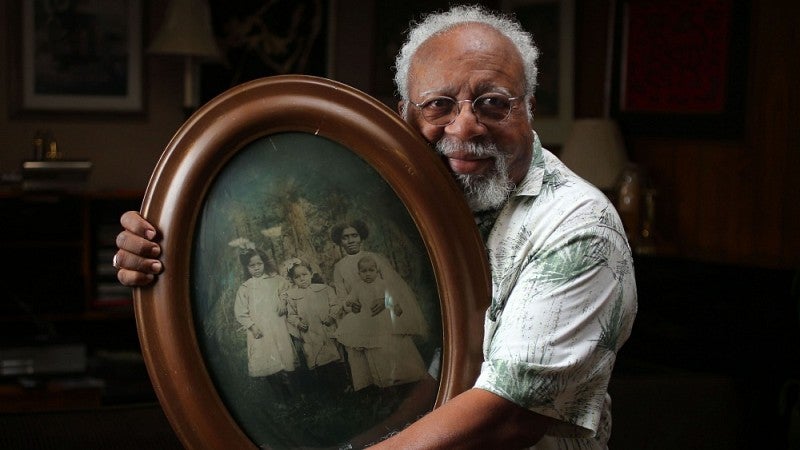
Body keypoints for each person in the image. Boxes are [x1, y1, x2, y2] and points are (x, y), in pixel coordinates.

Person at [113, 5, 637, 448]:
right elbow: (434, 383)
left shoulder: (579, 227)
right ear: (404, 116)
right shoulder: (406, 207)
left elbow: (506, 414)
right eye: (439, 105)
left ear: (529, 110)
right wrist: (170, 251)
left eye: (494, 103)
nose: (465, 126)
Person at [335, 255, 428, 391]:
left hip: (385, 321)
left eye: (371, 270)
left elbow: (392, 299)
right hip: (368, 322)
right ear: (359, 273)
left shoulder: (383, 284)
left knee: (394, 346)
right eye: (364, 271)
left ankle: (406, 376)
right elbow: (351, 300)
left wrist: (394, 306)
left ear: (377, 271)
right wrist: (352, 303)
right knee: (376, 351)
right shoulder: (358, 287)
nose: (368, 274)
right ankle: (384, 381)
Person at [233, 248, 297, 385]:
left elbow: (286, 290)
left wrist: (283, 301)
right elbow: (240, 312)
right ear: (247, 267)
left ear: (264, 263)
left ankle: (294, 387)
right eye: (252, 265)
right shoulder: (245, 287)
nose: (256, 268)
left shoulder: (275, 279)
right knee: (267, 354)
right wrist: (252, 326)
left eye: (259, 264)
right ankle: (279, 391)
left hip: (277, 323)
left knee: (283, 352)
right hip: (260, 327)